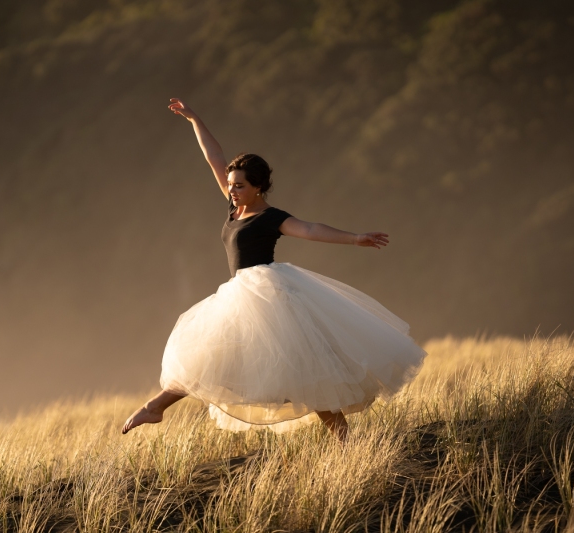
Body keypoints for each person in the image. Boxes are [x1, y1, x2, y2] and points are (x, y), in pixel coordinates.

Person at [122, 98, 427, 441]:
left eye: (240, 186)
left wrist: (356, 238)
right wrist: (193, 118)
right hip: (238, 292)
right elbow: (214, 156)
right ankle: (156, 407)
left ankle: (343, 437)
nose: (233, 190)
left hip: (267, 295)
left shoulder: (271, 217)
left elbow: (311, 229)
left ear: (258, 187)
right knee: (209, 355)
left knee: (306, 371)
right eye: (232, 184)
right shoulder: (234, 206)